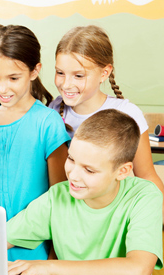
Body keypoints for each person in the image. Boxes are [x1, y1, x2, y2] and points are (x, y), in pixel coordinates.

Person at [7, 109, 163, 275]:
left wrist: (50, 267)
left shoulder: (144, 196)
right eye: (71, 159)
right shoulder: (58, 195)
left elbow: (137, 272)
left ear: (122, 171)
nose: (73, 176)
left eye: (89, 170)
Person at [0, 25, 70, 261]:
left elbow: (60, 197)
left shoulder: (48, 123)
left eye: (13, 78)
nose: (2, 88)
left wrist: (55, 258)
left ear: (35, 71)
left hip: (31, 248)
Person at [49, 25, 164, 221]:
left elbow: (146, 175)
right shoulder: (53, 110)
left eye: (78, 75)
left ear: (104, 73)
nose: (66, 84)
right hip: (69, 217)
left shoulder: (128, 114)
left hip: (113, 217)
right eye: (60, 73)